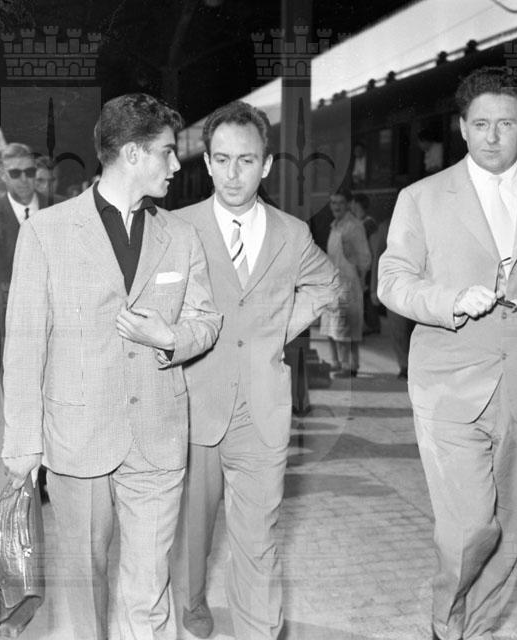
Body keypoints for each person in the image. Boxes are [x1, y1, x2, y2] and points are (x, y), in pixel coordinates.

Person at [1, 93, 221, 640]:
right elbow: (24, 347)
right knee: (85, 589)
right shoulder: (46, 233)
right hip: (78, 439)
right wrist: (22, 446)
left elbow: (206, 320)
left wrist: (170, 338)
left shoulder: (181, 236)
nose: (176, 165)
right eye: (167, 151)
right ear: (131, 153)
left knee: (148, 592)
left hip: (157, 436)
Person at [378, 66, 517, 640]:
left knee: (510, 529)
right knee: (469, 526)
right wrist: (450, 299)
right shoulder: (422, 198)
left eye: (505, 124)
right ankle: (447, 620)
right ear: (462, 128)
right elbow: (392, 281)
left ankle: (476, 629)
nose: (492, 136)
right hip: (448, 386)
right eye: (480, 124)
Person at [170, 101, 339, 640]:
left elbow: (328, 283)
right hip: (194, 407)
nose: (232, 173)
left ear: (265, 165)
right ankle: (192, 604)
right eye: (221, 160)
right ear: (207, 163)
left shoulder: (292, 233)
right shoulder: (177, 227)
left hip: (262, 410)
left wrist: (277, 328)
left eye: (246, 160)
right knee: (193, 535)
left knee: (258, 539)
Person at [0, 143, 49, 365]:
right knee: (16, 384)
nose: (24, 179)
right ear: (2, 174)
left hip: (59, 323)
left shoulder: (61, 207)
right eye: (15, 173)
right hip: (9, 322)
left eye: (30, 172)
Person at [320, 188, 371, 378]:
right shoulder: (335, 226)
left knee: (346, 328)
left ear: (348, 204)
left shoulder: (353, 227)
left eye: (340, 203)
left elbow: (365, 258)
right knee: (332, 327)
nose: (336, 207)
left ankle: (349, 366)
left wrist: (359, 273)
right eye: (333, 203)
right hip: (333, 283)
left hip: (348, 283)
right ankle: (338, 363)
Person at [350, 192, 381, 335]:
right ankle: (367, 325)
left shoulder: (369, 223)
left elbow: (373, 247)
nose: (350, 205)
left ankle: (371, 325)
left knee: (365, 296)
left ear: (358, 204)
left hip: (366, 266)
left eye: (353, 203)